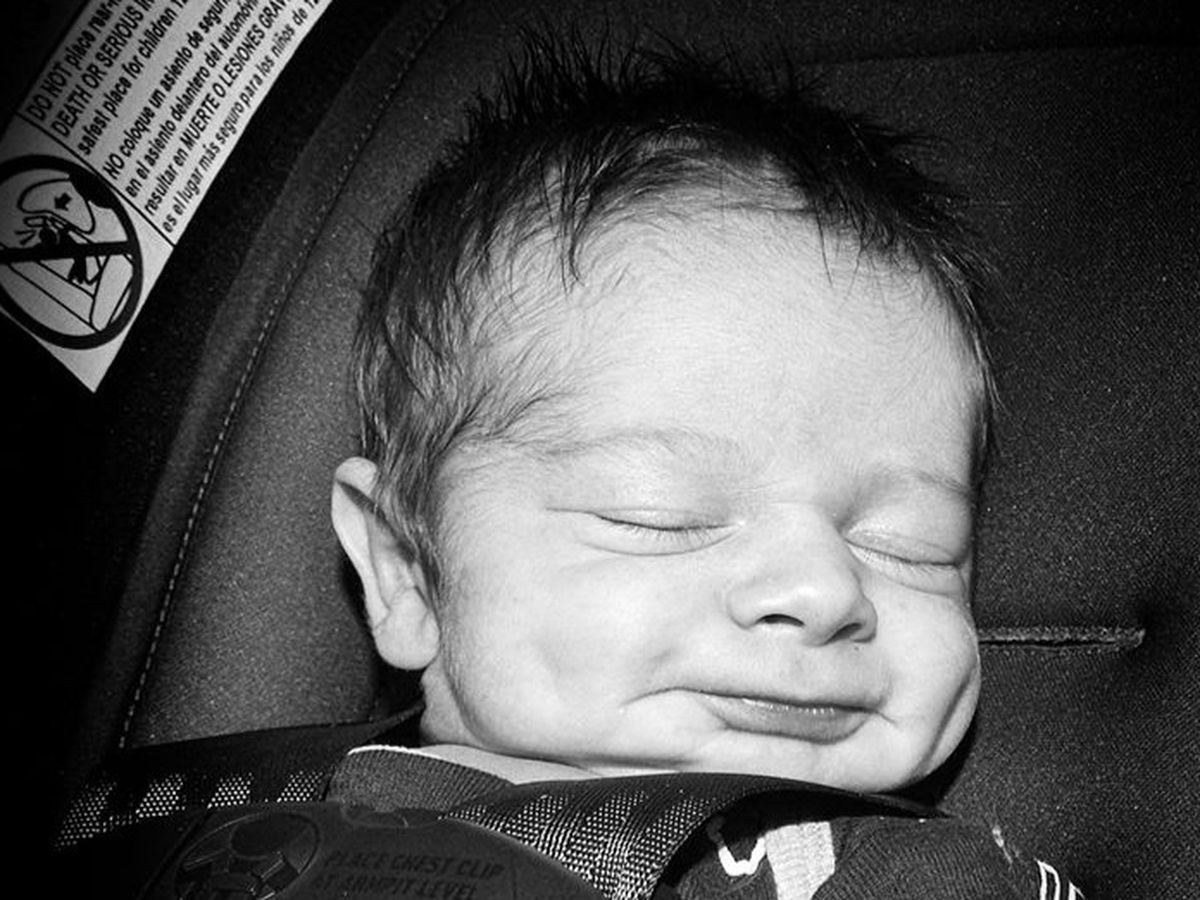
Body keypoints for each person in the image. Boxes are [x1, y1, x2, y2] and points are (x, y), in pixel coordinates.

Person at [330, 39, 1082, 898]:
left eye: (912, 545)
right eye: (660, 516)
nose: (825, 591)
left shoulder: (921, 879)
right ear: (406, 572)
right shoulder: (239, 833)